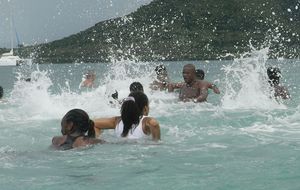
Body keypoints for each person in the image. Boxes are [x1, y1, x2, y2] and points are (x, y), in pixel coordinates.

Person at [93, 91, 161, 141]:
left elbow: (93, 123)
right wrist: (156, 141)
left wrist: (99, 138)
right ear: (145, 109)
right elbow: (154, 123)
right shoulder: (145, 121)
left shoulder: (117, 121)